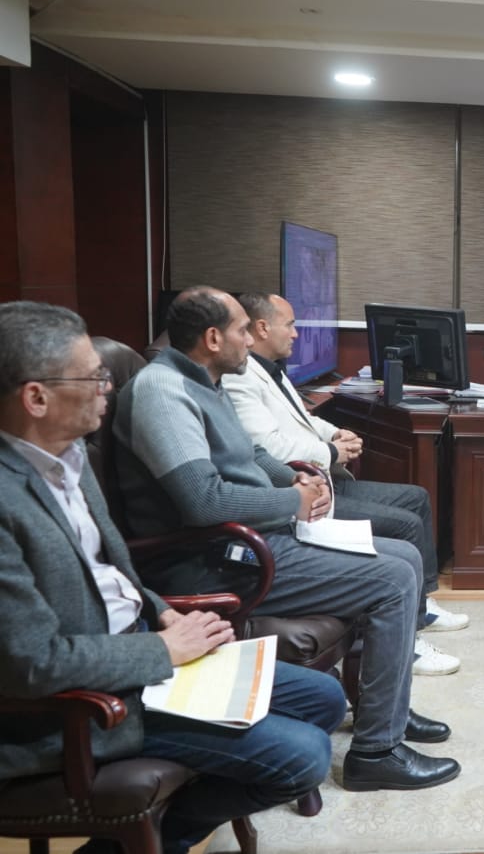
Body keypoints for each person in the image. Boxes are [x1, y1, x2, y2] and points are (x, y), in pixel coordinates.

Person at [0, 300, 348, 854]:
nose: (107, 389)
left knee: (324, 699)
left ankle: (143, 842)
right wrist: (163, 650)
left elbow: (108, 572)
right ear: (35, 398)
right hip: (83, 706)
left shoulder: (67, 456)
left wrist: (161, 611)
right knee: (304, 756)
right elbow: (31, 663)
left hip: (141, 645)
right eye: (92, 378)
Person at [113, 287, 461, 792]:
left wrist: (298, 480)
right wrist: (290, 502)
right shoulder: (162, 392)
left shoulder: (206, 381)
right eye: (240, 330)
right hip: (214, 559)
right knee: (393, 579)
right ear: (213, 338)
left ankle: (386, 713)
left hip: (253, 539)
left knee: (404, 556)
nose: (248, 340)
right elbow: (203, 502)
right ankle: (376, 753)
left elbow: (250, 457)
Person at [223, 292, 465, 676]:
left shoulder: (270, 368)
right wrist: (332, 451)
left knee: (416, 498)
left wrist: (337, 433)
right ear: (263, 327)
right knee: (405, 526)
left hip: (323, 476)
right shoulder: (239, 378)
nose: (296, 334)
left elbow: (303, 420)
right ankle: (410, 637)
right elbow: (270, 447)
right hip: (301, 488)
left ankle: (421, 605)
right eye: (290, 325)